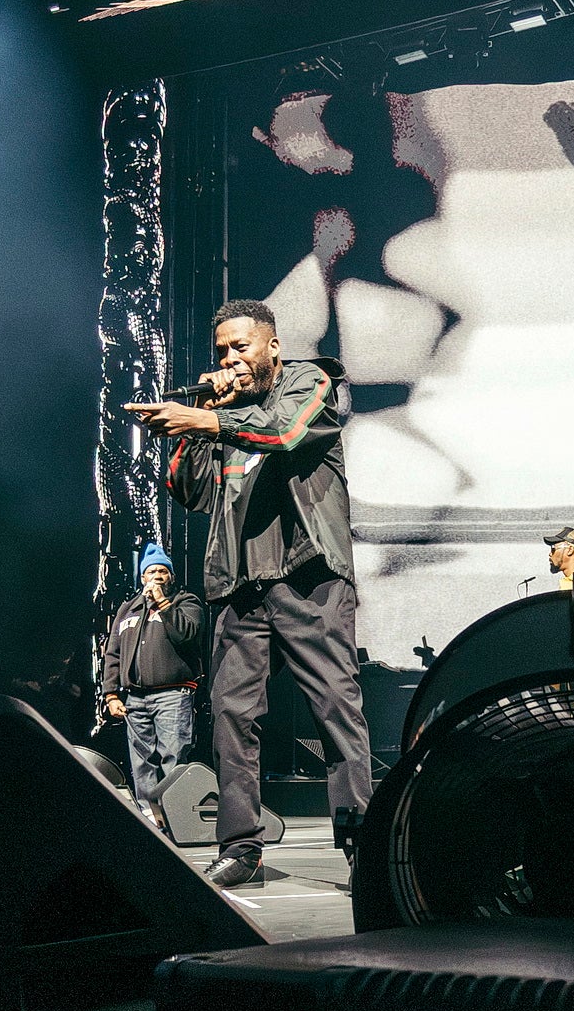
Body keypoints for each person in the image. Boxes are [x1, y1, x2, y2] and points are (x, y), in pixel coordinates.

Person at [132, 300, 374, 889]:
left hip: (308, 577)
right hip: (240, 588)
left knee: (335, 711)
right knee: (231, 717)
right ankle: (241, 846)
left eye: (241, 347)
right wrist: (201, 417)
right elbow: (188, 491)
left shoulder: (308, 382)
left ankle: (365, 846)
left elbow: (286, 432)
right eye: (222, 351)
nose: (230, 360)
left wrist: (207, 422)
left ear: (271, 346)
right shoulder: (225, 414)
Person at [99, 542, 207, 827]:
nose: (157, 576)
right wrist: (111, 694)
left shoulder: (186, 602)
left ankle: (178, 818)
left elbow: (187, 635)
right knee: (141, 762)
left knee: (173, 757)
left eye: (163, 571)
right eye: (152, 572)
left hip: (173, 694)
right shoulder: (128, 609)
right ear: (142, 577)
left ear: (171, 576)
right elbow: (113, 653)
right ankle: (150, 819)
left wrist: (163, 603)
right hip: (135, 699)